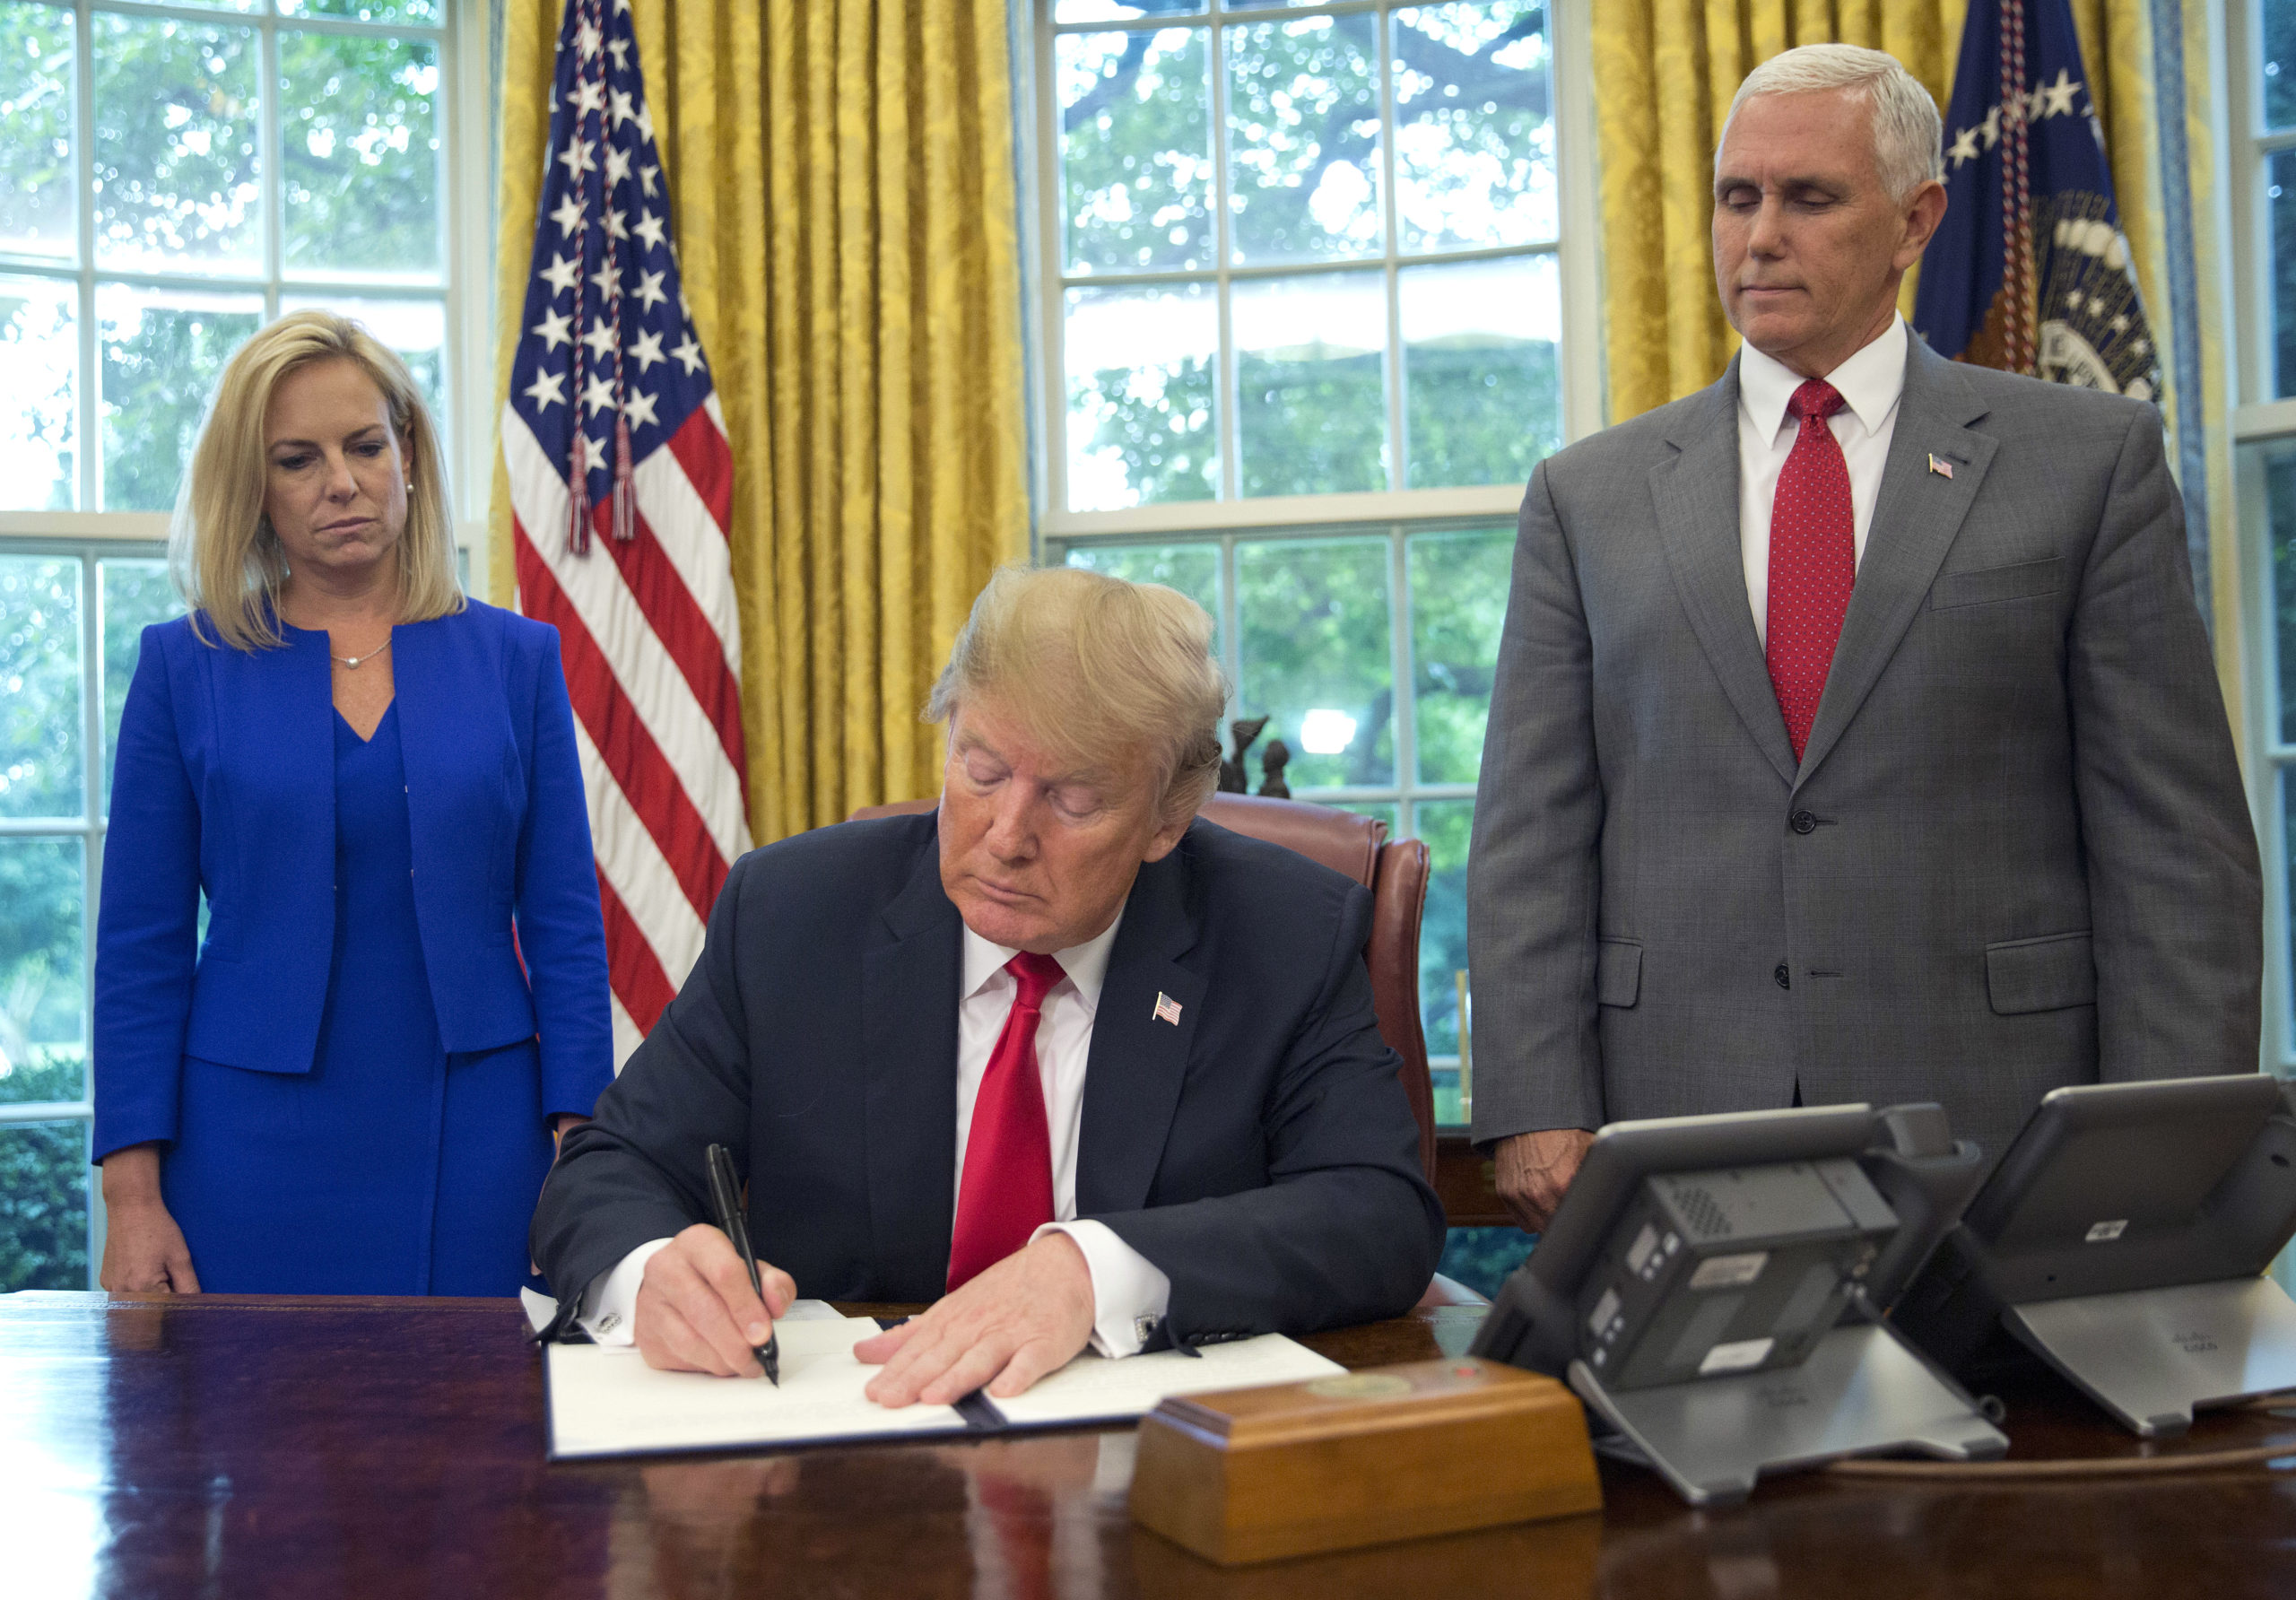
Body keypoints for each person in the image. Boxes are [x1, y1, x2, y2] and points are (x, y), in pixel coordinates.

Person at [1467, 44, 2261, 1232]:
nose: (1762, 235)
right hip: (1675, 1120)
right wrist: (1532, 1098)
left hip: (2001, 1124)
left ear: (1915, 220)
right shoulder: (1590, 495)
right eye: (1740, 198)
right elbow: (1531, 827)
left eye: (1810, 198)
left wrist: (2165, 1141)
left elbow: (2175, 850)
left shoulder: (2086, 463)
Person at [531, 565, 1443, 1406]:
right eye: (982, 769)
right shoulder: (793, 914)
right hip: (848, 1451)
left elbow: (1378, 1212)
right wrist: (650, 1270)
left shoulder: (1280, 932)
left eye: (1073, 798)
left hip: (1151, 1466)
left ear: (1167, 819)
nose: (1006, 833)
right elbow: (608, 1170)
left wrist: (1094, 1270)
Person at [93, 310, 613, 1295]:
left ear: (407, 454)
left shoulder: (516, 660)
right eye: (297, 459)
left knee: (480, 1437)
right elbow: (140, 946)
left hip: (483, 1136)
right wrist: (131, 1194)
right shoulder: (183, 666)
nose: (341, 481)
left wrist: (579, 1147)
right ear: (254, 488)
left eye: (365, 445)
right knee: (258, 1438)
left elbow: (564, 923)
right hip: (244, 1142)